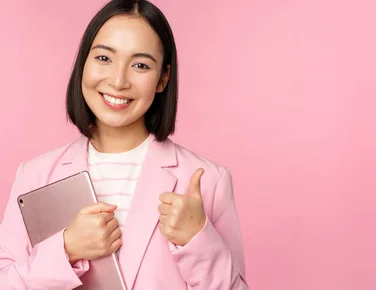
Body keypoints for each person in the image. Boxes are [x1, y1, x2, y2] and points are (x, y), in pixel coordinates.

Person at [0, 0, 248, 289]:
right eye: (104, 58)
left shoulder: (208, 181)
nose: (118, 81)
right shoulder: (34, 175)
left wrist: (198, 241)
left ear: (163, 78)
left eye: (140, 65)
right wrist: (66, 249)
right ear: (84, 62)